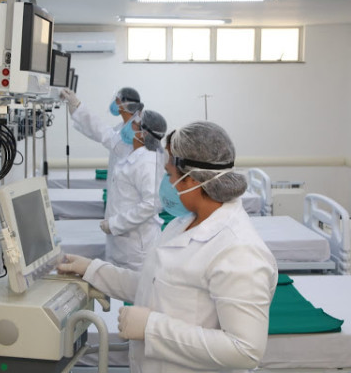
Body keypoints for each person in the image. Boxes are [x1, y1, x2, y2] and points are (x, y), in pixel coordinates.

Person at [57, 121, 278, 373]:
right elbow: (155, 285)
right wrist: (92, 270)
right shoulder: (183, 222)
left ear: (192, 180)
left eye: (169, 175)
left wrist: (151, 327)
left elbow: (245, 350)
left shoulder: (238, 251)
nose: (166, 183)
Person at [60, 87, 144, 229]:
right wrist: (75, 110)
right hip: (118, 204)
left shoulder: (134, 131)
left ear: (123, 104)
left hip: (128, 211)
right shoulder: (122, 127)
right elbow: (101, 133)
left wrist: (78, 106)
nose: (114, 103)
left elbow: (103, 133)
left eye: (117, 100)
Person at [100, 110, 167, 270]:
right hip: (122, 243)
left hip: (136, 248)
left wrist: (115, 224)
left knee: (131, 284)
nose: (129, 125)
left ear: (143, 133)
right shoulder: (133, 154)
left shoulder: (148, 162)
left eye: (134, 123)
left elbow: (152, 204)